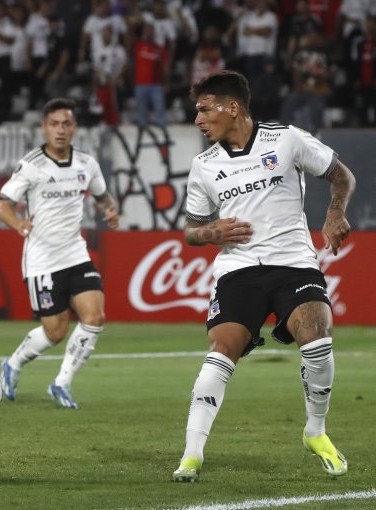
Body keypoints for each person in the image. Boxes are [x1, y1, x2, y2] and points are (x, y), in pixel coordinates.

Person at [173, 70, 355, 483]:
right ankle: (192, 453)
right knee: (222, 349)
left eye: (204, 110)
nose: (198, 120)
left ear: (232, 107)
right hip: (237, 269)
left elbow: (341, 175)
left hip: (294, 263)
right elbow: (190, 229)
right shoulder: (204, 166)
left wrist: (335, 211)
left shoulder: (287, 138)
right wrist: (209, 233)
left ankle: (315, 431)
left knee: (317, 334)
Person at [0, 98, 120, 409]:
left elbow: (102, 195)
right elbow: (3, 207)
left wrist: (109, 211)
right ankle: (13, 364)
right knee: (55, 331)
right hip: (42, 260)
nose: (61, 130)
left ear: (74, 127)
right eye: (54, 124)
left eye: (66, 124)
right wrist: (19, 225)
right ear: (44, 127)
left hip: (75, 253)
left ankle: (61, 382)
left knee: (95, 316)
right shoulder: (31, 165)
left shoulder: (86, 164)